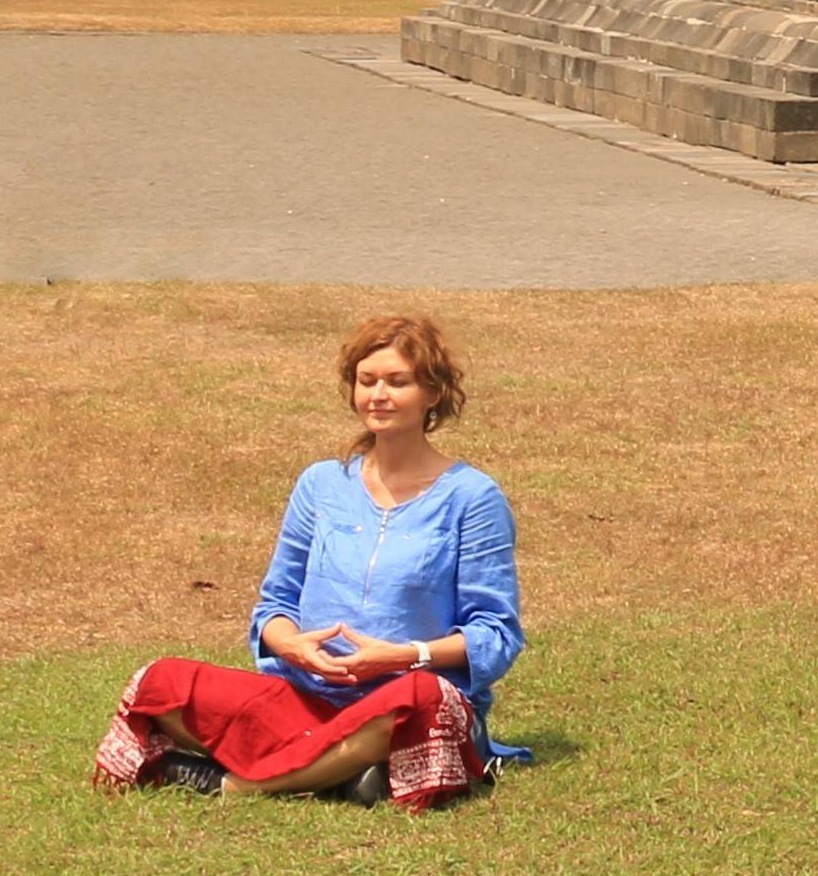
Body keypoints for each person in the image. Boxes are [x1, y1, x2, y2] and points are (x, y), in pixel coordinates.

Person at [99, 311, 521, 805]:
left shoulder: (472, 496)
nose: (378, 395)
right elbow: (275, 607)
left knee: (423, 699)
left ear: (433, 393)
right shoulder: (320, 484)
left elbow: (495, 634)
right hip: (305, 696)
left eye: (397, 382)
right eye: (367, 381)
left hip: (400, 700)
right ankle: (345, 772)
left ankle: (240, 784)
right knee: (161, 681)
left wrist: (405, 656)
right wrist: (293, 647)